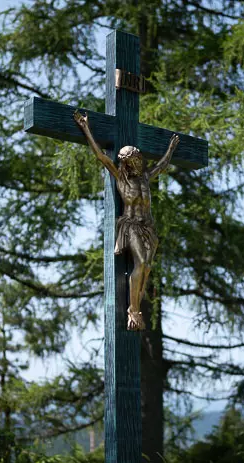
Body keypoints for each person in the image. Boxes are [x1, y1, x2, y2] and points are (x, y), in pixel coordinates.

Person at [73, 110, 179, 330]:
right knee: (141, 264)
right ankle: (133, 310)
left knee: (147, 268)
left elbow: (162, 165)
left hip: (148, 227)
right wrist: (86, 129)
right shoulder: (120, 177)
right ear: (127, 164)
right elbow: (101, 156)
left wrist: (171, 148)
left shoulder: (145, 177)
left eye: (138, 158)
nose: (138, 162)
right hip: (130, 226)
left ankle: (136, 306)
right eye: (134, 160)